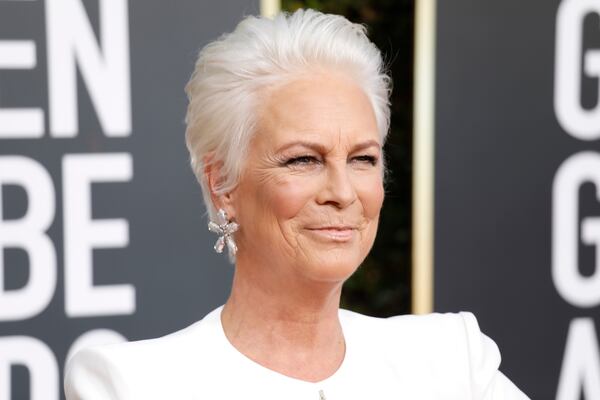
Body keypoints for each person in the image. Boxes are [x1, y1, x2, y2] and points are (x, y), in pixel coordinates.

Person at [64, 9, 530, 399]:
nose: (343, 192)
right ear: (222, 183)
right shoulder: (135, 385)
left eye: (363, 158)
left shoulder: (450, 360)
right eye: (304, 159)